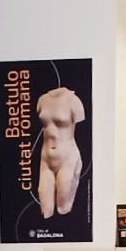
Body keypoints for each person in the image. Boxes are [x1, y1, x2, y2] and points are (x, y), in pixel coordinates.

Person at [36, 88, 85, 219]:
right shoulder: (42, 100)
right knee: (46, 210)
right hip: (46, 158)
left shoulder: (73, 101)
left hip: (67, 157)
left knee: (63, 207)